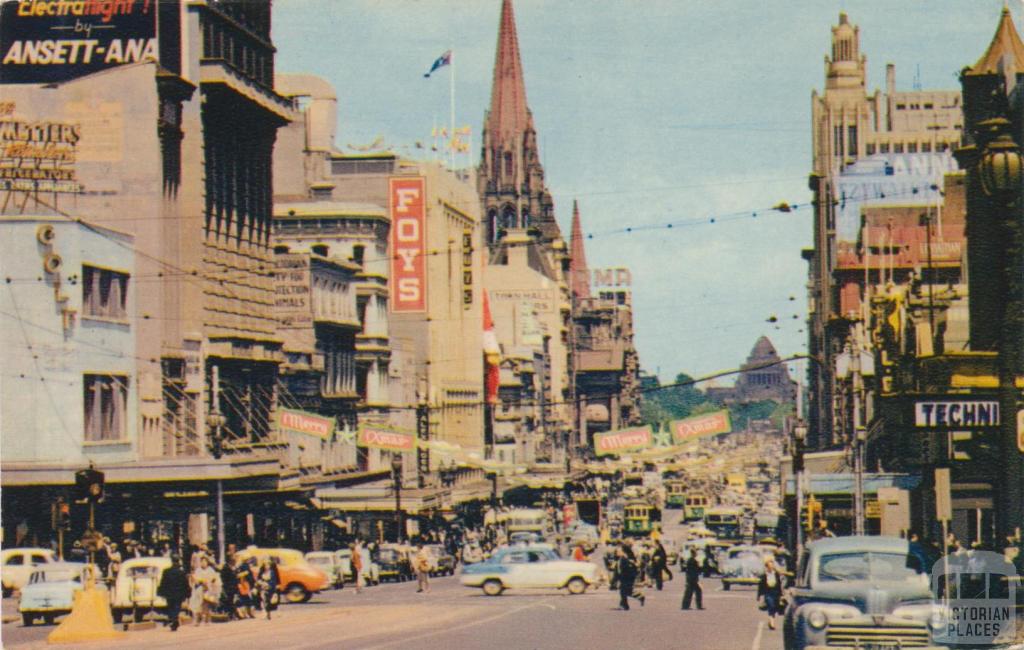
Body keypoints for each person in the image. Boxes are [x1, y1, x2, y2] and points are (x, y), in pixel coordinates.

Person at [156, 555, 190, 631]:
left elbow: (163, 583)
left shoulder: (166, 571)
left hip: (169, 594)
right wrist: (187, 594)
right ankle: (174, 620)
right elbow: (185, 584)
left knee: (170, 607)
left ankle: (172, 620)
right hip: (179, 594)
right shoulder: (181, 572)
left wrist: (161, 592)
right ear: (178, 561)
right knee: (176, 608)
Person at [190, 555, 219, 626]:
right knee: (198, 605)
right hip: (199, 589)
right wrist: (199, 581)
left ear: (207, 562)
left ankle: (207, 620)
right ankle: (198, 620)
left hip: (208, 589)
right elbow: (195, 579)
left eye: (204, 561)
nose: (203, 563)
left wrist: (209, 583)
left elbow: (214, 579)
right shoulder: (198, 570)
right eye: (201, 562)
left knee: (207, 606)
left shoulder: (210, 570)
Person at [616, 542, 645, 611]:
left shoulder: (627, 560)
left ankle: (625, 606)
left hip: (627, 578)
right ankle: (639, 597)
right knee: (626, 592)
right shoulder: (621, 559)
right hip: (624, 578)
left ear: (623, 552)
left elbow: (631, 570)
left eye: (618, 551)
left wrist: (632, 578)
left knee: (624, 591)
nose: (617, 552)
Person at [757, 556, 784, 630]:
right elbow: (761, 586)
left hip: (776, 593)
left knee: (774, 607)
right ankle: (772, 623)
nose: (771, 566)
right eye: (769, 564)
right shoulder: (764, 576)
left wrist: (781, 595)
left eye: (772, 563)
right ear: (766, 566)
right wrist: (759, 596)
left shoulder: (776, 575)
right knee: (771, 605)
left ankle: (771, 620)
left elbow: (779, 585)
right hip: (768, 593)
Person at [681, 546, 704, 610]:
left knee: (689, 592)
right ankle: (697, 606)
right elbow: (695, 570)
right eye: (696, 553)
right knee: (695, 592)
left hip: (691, 578)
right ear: (693, 553)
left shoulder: (691, 560)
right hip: (692, 579)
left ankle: (685, 606)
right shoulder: (692, 561)